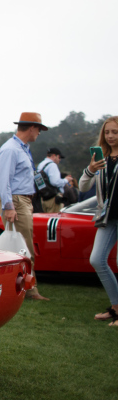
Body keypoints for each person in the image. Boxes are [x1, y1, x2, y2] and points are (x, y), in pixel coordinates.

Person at [0, 112, 49, 301]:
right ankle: (29, 290)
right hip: (16, 200)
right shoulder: (11, 149)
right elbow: (3, 180)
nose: (39, 133)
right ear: (32, 127)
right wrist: (10, 205)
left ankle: (23, 287)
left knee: (22, 246)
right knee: (24, 248)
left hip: (21, 199)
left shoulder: (21, 148)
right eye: (39, 129)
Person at [80, 116, 118, 326]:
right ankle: (116, 307)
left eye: (115, 132)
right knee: (97, 259)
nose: (110, 136)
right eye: (107, 132)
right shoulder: (100, 158)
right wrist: (91, 169)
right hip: (107, 217)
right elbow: (83, 187)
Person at [38, 148, 68, 214]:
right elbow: (55, 182)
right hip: (53, 198)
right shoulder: (52, 165)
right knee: (55, 218)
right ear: (54, 155)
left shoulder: (41, 165)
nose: (59, 160)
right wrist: (66, 180)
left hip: (44, 197)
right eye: (59, 157)